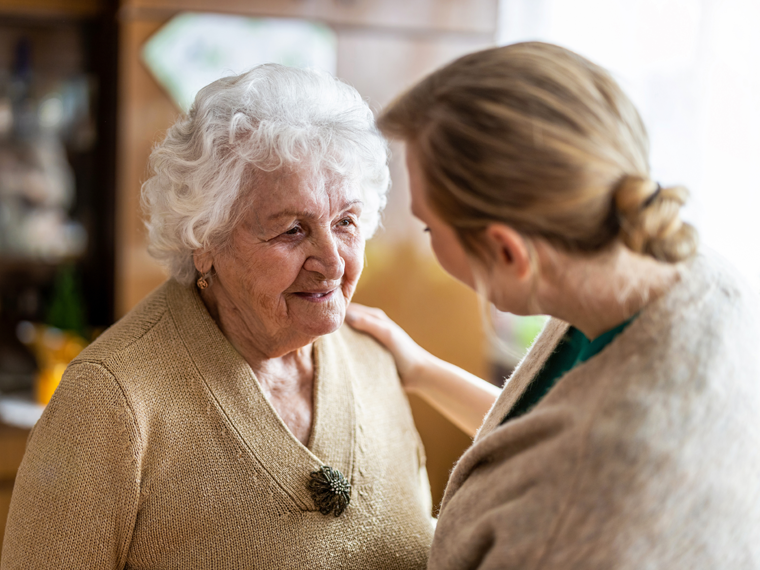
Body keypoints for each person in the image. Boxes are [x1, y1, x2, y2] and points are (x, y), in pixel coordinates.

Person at [1, 65, 434, 569]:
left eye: (346, 222)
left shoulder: (374, 359)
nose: (333, 262)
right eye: (292, 230)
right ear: (204, 241)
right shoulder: (110, 402)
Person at [347, 42, 760, 569]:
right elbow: (539, 436)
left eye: (429, 226)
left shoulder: (582, 510)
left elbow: (567, 471)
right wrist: (422, 370)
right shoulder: (681, 270)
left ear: (506, 251)